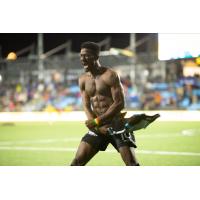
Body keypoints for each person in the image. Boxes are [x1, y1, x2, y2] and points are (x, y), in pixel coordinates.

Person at [70, 41, 139, 166]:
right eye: (81, 56)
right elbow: (86, 105)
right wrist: (96, 126)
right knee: (77, 163)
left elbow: (119, 103)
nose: (82, 59)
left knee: (132, 164)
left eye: (86, 55)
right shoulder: (83, 80)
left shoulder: (110, 75)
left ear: (96, 57)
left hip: (117, 125)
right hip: (98, 127)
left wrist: (96, 121)